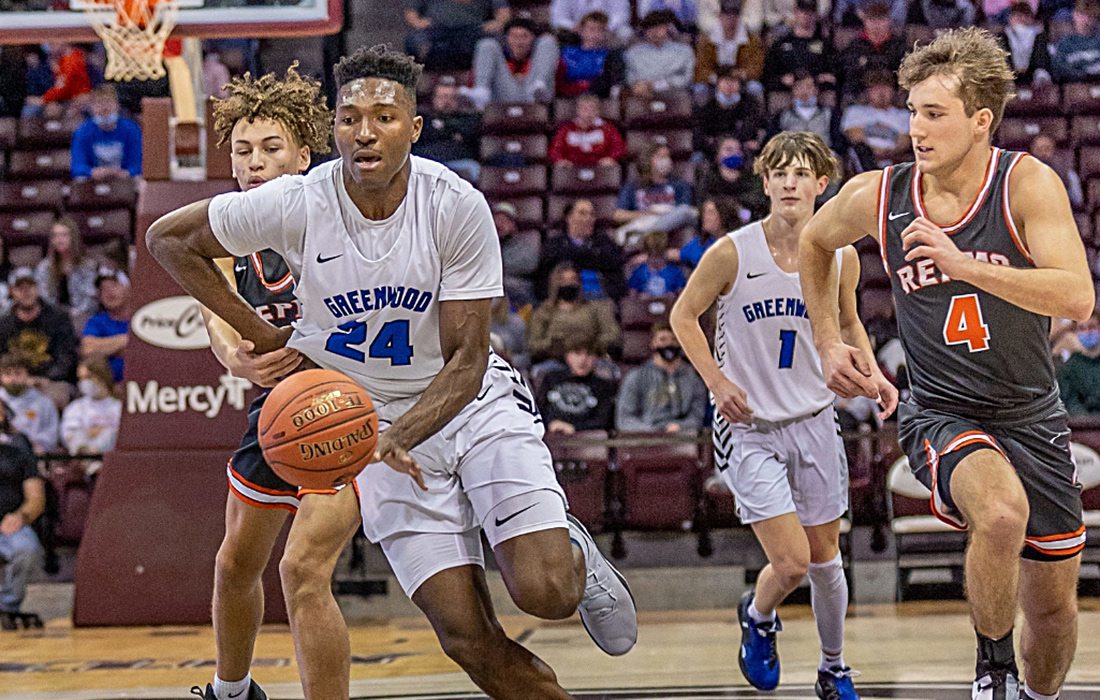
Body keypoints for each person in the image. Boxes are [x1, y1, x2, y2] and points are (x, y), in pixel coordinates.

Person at [147, 45, 637, 700]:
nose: (366, 131)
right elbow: (168, 240)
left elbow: (466, 361)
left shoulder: (454, 205)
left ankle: (573, 551)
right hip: (368, 418)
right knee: (467, 640)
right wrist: (264, 337)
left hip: (469, 406)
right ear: (336, 131)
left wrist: (395, 435)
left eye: (384, 115)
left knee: (545, 593)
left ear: (414, 126)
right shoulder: (296, 201)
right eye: (351, 118)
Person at [798, 28, 1093, 700]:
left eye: (934, 114)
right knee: (998, 513)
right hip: (940, 409)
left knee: (1052, 612)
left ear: (980, 120)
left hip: (1031, 412)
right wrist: (827, 339)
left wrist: (962, 266)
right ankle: (993, 676)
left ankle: (1033, 693)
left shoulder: (1025, 184)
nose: (917, 129)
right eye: (911, 111)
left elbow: (1077, 296)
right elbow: (815, 243)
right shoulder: (882, 193)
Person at [671, 131, 890, 699]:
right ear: (765, 183)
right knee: (790, 563)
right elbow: (682, 317)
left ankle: (834, 667)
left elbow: (847, 324)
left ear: (823, 184)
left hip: (815, 419)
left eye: (802, 174)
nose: (790, 182)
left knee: (825, 559)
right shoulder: (731, 251)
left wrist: (873, 377)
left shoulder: (841, 255)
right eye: (780, 173)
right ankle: (758, 613)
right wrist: (717, 382)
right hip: (750, 428)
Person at [181, 64, 333, 700]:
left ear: (303, 153)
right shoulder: (221, 230)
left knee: (303, 568)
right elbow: (216, 317)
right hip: (281, 411)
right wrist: (234, 357)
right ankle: (232, 690)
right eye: (242, 150)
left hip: (358, 401)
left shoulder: (334, 213)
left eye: (271, 148)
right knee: (235, 562)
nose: (253, 162)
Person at [0, 267, 79, 407]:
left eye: (30, 286)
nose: (26, 292)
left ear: (38, 288)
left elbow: (66, 358)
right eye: (20, 288)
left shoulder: (58, 318)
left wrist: (42, 379)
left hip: (51, 381)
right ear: (12, 291)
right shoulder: (4, 323)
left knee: (55, 397)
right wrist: (16, 378)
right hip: (13, 381)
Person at [615, 321, 708, 433]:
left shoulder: (693, 378)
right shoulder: (636, 377)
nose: (668, 344)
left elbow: (697, 416)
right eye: (663, 339)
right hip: (646, 438)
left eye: (674, 339)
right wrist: (653, 431)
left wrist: (680, 427)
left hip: (683, 436)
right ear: (653, 343)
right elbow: (624, 420)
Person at [529, 262, 622, 367]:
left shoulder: (596, 308)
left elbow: (613, 335)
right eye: (563, 281)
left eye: (573, 280)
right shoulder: (544, 312)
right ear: (555, 284)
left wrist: (590, 345)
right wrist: (557, 344)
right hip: (556, 361)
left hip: (591, 358)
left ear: (579, 282)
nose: (569, 284)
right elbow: (534, 345)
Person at [539, 198, 627, 301]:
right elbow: (546, 275)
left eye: (592, 214)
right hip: (565, 301)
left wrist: (574, 256)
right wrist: (592, 256)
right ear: (569, 217)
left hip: (600, 298)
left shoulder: (604, 241)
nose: (589, 218)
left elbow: (615, 262)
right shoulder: (554, 244)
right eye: (582, 213)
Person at [0, 408, 43, 617]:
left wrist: (21, 516)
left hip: (9, 524)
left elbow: (36, 498)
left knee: (27, 548)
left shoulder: (19, 454)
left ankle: (8, 605)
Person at [464, 17, 559, 110]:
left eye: (524, 36)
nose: (519, 42)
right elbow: (473, 78)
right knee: (487, 44)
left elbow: (561, 81)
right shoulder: (498, 56)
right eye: (514, 36)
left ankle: (540, 84)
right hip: (504, 96)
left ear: (533, 39)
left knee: (548, 40)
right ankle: (481, 91)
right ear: (506, 39)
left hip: (536, 96)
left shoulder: (543, 55)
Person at [537, 336, 618, 434]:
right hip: (550, 436)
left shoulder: (604, 386)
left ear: (596, 358)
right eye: (577, 353)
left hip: (588, 441)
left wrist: (574, 428)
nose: (583, 360)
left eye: (589, 354)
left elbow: (603, 421)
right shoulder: (551, 378)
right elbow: (537, 411)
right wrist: (549, 424)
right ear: (567, 356)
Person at [412, 77, 482, 183]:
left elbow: (470, 143)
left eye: (451, 97)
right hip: (428, 163)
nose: (447, 102)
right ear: (434, 99)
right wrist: (452, 133)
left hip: (459, 162)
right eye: (443, 97)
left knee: (474, 169)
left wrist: (442, 128)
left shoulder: (468, 119)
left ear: (457, 100)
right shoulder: (423, 119)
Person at [35, 217, 101, 326]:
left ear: (73, 238)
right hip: (53, 320)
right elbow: (43, 299)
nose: (59, 239)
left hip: (82, 318)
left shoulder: (88, 267)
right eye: (55, 236)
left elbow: (90, 301)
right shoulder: (44, 267)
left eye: (64, 235)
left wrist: (73, 316)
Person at [70, 84, 143, 180]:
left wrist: (126, 173)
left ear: (117, 105)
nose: (104, 108)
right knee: (80, 178)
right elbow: (77, 166)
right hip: (93, 181)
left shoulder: (131, 129)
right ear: (91, 107)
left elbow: (138, 164)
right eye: (99, 103)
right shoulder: (82, 131)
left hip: (124, 180)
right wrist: (92, 172)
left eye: (108, 102)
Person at [624, 10, 696, 98]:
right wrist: (640, 85)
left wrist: (656, 85)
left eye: (659, 28)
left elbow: (687, 78)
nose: (654, 32)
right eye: (650, 28)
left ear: (667, 28)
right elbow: (631, 79)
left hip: (675, 93)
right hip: (643, 94)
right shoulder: (633, 53)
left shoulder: (684, 51)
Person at [555, 11, 628, 98]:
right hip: (567, 94)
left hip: (596, 95)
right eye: (591, 29)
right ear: (581, 31)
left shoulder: (609, 55)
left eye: (600, 30)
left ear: (605, 33)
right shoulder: (567, 51)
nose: (595, 34)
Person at [0, 354, 60, 455]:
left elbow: (51, 436)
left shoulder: (44, 403)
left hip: (33, 457)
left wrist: (30, 443)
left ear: (28, 375)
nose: (13, 379)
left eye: (18, 373)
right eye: (7, 374)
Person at [60, 357, 121, 456]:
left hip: (112, 459)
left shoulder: (120, 407)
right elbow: (69, 436)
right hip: (82, 459)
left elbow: (121, 436)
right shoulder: (75, 408)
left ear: (102, 376)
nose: (84, 382)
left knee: (109, 434)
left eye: (88, 377)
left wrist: (94, 432)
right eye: (81, 378)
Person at [80, 268, 131, 385]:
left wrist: (107, 348)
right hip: (108, 388)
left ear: (129, 289)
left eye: (114, 286)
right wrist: (128, 339)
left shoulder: (145, 318)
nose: (108, 292)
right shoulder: (96, 322)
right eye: (103, 289)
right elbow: (88, 349)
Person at [549, 94, 628, 167]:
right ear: (578, 111)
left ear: (598, 111)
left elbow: (619, 148)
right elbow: (555, 150)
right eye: (584, 109)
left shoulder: (608, 128)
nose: (588, 113)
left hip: (600, 169)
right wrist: (560, 160)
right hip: (572, 169)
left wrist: (611, 158)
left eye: (592, 109)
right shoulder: (566, 129)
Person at [1057, 311, 1100, 414]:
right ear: (1075, 332)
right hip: (1082, 426)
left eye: (1092, 327)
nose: (1088, 331)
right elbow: (1070, 402)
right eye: (1082, 329)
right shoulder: (1068, 368)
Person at [1051, 0, 1100, 82]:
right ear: (1074, 15)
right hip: (1075, 87)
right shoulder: (1064, 44)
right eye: (1082, 15)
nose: (1086, 20)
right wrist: (1085, 76)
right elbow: (1058, 70)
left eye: (1090, 16)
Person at [627, 231, 687, 296]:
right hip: (645, 304)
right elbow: (632, 296)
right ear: (646, 255)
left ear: (665, 254)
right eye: (652, 256)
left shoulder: (675, 273)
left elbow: (682, 295)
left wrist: (672, 296)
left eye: (659, 256)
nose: (656, 260)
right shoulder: (639, 272)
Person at [550, 0, 633, 45]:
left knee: (626, 33)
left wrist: (605, 28)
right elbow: (557, 18)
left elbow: (622, 14)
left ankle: (614, 62)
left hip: (607, 30)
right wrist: (575, 27)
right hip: (576, 32)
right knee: (555, 36)